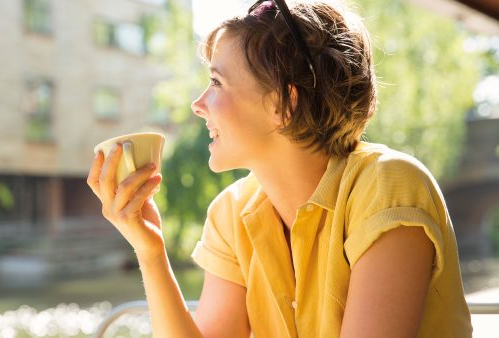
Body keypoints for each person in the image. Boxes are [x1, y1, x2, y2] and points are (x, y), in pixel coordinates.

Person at [87, 0, 473, 337]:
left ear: (283, 103)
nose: (198, 104)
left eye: (217, 83)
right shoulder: (231, 213)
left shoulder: (388, 186)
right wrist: (149, 249)